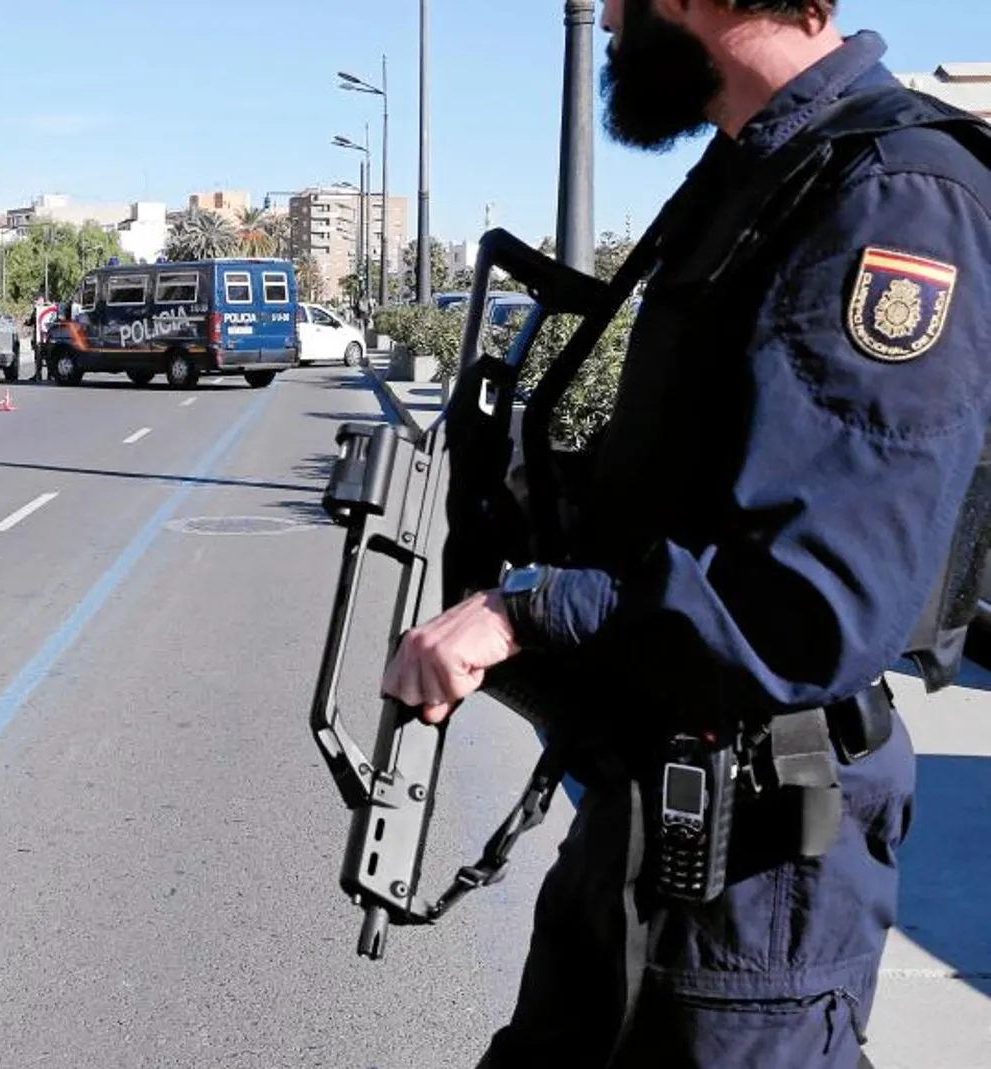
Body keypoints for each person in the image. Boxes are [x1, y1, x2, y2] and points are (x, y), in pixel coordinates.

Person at [379, 2, 991, 1067]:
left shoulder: (891, 193)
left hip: (758, 860)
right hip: (659, 799)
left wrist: (528, 610)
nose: (606, 18)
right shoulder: (757, 170)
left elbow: (813, 607)